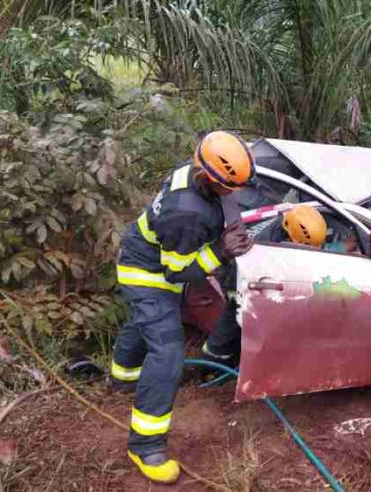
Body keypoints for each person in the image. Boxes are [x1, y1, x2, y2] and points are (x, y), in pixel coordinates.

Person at [110, 131, 255, 483]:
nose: (233, 194)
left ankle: (122, 378)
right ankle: (145, 446)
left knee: (142, 325)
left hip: (143, 253)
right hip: (147, 274)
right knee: (169, 351)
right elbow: (176, 273)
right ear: (208, 177)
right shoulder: (186, 213)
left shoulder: (192, 174)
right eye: (228, 188)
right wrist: (221, 251)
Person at [200, 204, 329, 368]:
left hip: (239, 264)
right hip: (234, 274)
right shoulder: (264, 247)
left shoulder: (287, 223)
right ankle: (212, 363)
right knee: (234, 316)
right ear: (291, 237)